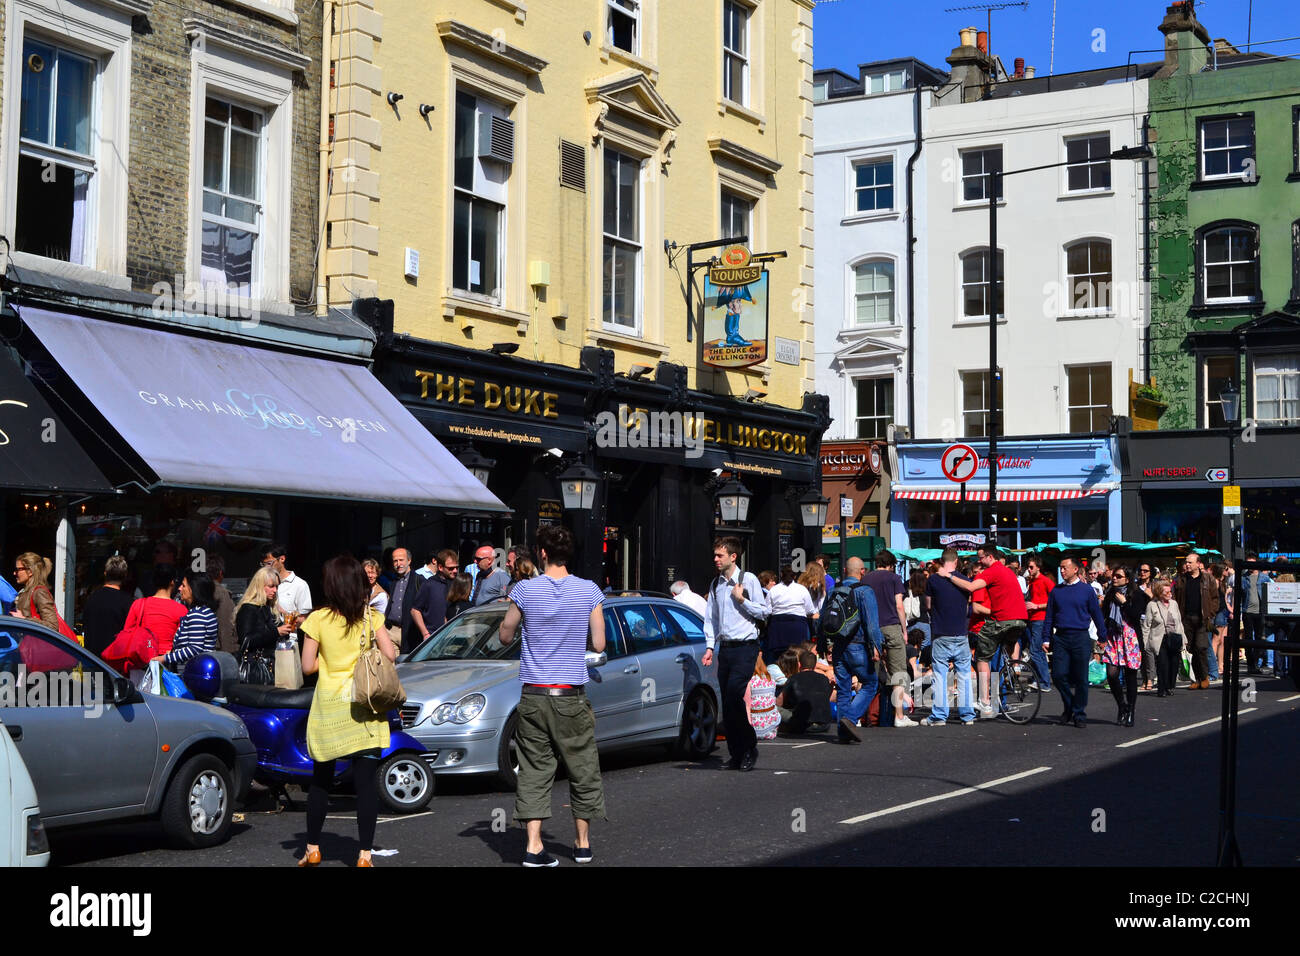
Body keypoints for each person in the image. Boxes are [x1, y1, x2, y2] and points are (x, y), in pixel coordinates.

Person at [498, 524, 607, 867]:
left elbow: (505, 634)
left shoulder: (525, 591)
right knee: (583, 767)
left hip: (534, 694)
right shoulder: (589, 591)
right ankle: (582, 844)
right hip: (571, 695)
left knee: (533, 769)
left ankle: (533, 847)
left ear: (542, 554)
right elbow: (600, 644)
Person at [297, 555, 396, 868]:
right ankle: (364, 855)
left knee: (321, 781)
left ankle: (312, 848)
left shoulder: (317, 620)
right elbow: (390, 655)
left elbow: (307, 666)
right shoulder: (371, 618)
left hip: (329, 707)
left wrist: (329, 663)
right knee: (365, 785)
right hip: (364, 705)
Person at [701, 536, 770, 771]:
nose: (715, 559)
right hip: (726, 649)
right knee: (728, 704)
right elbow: (711, 618)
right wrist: (710, 647)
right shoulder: (716, 584)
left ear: (733, 556)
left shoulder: (747, 579)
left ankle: (749, 746)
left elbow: (764, 612)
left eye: (720, 555)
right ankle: (737, 753)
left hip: (746, 647)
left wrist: (742, 600)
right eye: (714, 555)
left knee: (733, 694)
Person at [936, 545, 1028, 718]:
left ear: (990, 557)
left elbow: (971, 588)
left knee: (982, 657)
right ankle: (1011, 668)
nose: (978, 560)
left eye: (981, 557)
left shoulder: (991, 571)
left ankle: (985, 700)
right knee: (1002, 653)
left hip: (1002, 620)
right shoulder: (1008, 571)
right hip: (1020, 620)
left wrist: (948, 576)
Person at [1042, 557, 1106, 727]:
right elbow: (1049, 616)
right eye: (1060, 568)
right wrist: (1046, 638)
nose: (1062, 571)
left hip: (1080, 637)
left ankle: (1079, 713)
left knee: (1081, 678)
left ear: (1075, 569)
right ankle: (1069, 705)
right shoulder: (1056, 591)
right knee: (1058, 675)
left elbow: (1096, 614)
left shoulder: (1086, 590)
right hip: (1061, 637)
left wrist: (1103, 636)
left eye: (1065, 568)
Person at [921, 548, 976, 726]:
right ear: (956, 561)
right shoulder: (965, 580)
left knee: (940, 675)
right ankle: (967, 715)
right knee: (964, 675)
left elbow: (928, 605)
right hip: (961, 632)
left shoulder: (934, 580)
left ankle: (939, 716)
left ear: (941, 561)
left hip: (941, 632)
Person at [834, 556, 885, 741]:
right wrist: (876, 647)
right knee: (871, 683)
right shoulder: (865, 591)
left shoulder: (835, 590)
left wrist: (823, 644)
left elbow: (824, 617)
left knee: (843, 689)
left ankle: (842, 733)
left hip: (838, 646)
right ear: (862, 571)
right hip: (858, 645)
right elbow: (871, 623)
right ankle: (850, 717)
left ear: (845, 570)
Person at [862, 550, 913, 726]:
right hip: (891, 626)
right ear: (891, 564)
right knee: (898, 672)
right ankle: (899, 716)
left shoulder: (866, 579)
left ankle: (865, 716)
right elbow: (899, 605)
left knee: (871, 672)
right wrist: (904, 630)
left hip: (871, 627)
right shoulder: (894, 578)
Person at [1101, 567, 1142, 727]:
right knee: (1111, 674)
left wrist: (1124, 603)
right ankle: (1122, 706)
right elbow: (1104, 614)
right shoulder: (1110, 593)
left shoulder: (1136, 594)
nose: (1115, 579)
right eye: (1114, 576)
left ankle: (1131, 710)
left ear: (1127, 579)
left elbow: (1137, 616)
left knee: (1130, 676)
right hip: (1113, 635)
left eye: (1119, 576)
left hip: (1130, 637)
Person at [121, 564, 188, 661]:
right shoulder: (181, 609)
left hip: (140, 659)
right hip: (167, 660)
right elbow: (182, 641)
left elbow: (126, 632)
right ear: (172, 582)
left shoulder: (139, 604)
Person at [1173, 553, 1220, 690]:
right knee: (1190, 649)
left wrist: (1210, 614)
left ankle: (1204, 676)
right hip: (1185, 618)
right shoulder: (1181, 579)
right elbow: (1175, 597)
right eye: (1186, 562)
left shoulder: (1207, 578)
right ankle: (1195, 679)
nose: (1187, 565)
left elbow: (1215, 598)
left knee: (1201, 648)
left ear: (1198, 564)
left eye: (1190, 562)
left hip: (1202, 619)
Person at [163, 571, 220, 669]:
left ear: (194, 589)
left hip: (193, 673)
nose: (179, 588)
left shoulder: (197, 614)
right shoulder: (205, 611)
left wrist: (164, 658)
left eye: (183, 585)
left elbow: (194, 649)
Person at [82, 555, 136, 657]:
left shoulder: (91, 598)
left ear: (105, 573)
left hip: (92, 660)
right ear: (125, 576)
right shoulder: (128, 602)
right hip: (114, 662)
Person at [763, 565, 817, 665]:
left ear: (781, 575)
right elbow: (810, 610)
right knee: (798, 656)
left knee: (778, 659)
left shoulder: (773, 590)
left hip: (778, 628)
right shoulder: (802, 590)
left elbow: (767, 611)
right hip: (797, 627)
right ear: (795, 576)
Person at [236, 566, 292, 659]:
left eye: (277, 586)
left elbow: (273, 635)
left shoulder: (269, 608)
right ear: (259, 586)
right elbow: (246, 640)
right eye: (271, 586)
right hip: (254, 665)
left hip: (269, 664)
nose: (275, 590)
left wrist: (285, 629)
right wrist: (276, 632)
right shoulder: (248, 608)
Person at [1142, 580, 1184, 698]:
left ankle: (1169, 686)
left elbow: (1179, 623)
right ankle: (1162, 689)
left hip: (1174, 637)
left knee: (1174, 665)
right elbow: (1146, 625)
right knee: (1162, 665)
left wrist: (1183, 639)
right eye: (1166, 592)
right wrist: (1145, 643)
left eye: (1170, 591)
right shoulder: (1152, 605)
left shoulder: (1174, 604)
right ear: (1159, 593)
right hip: (1160, 639)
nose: (1169, 594)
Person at [778, 649, 834, 734]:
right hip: (825, 724)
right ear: (815, 666)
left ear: (799, 664)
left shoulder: (793, 678)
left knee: (774, 708)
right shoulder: (824, 678)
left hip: (802, 724)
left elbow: (780, 702)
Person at [410, 549, 458, 643]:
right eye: (451, 568)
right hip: (433, 639)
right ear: (440, 567)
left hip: (454, 637)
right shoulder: (429, 584)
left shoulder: (457, 584)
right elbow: (415, 610)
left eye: (456, 567)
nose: (455, 571)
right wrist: (425, 634)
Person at [383, 547, 425, 653]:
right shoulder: (392, 581)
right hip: (392, 631)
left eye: (401, 560)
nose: (398, 564)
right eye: (395, 561)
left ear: (409, 560)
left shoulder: (419, 580)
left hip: (410, 633)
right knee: (392, 667)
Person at [1023, 556, 1055, 692]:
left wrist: (1037, 606)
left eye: (1031, 567)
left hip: (1040, 619)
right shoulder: (1032, 581)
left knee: (1036, 651)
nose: (1029, 570)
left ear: (1038, 567)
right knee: (1035, 650)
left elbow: (1055, 601)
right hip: (1031, 619)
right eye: (1028, 567)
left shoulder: (1046, 581)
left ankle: (1044, 682)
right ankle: (1038, 679)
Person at [10, 552, 59, 631]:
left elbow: (53, 626)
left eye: (18, 569)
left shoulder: (39, 592)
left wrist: (24, 619)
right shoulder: (25, 591)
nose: (14, 573)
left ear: (30, 572)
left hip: (36, 642)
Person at [264, 544, 312, 623]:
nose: (266, 568)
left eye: (269, 563)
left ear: (282, 559)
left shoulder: (300, 585)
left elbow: (305, 622)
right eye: (263, 564)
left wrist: (282, 611)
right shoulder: (261, 583)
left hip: (288, 634)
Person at [207, 555, 239, 656]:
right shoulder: (221, 594)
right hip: (217, 652)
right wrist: (229, 656)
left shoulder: (199, 591)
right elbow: (226, 626)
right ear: (221, 573)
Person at [1241, 554, 1267, 675]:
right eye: (1248, 563)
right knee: (1248, 638)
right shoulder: (1243, 577)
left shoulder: (1264, 577)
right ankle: (1250, 664)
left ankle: (1255, 663)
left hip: (1260, 612)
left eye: (1252, 563)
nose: (1250, 566)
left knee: (1258, 638)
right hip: (1247, 611)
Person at [1134, 562, 1157, 689]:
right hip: (1137, 620)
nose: (1142, 572)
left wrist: (1151, 595)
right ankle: (1144, 678)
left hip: (1150, 621)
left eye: (1145, 571)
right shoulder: (1135, 586)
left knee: (1148, 650)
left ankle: (1150, 678)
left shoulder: (1154, 585)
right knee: (1141, 650)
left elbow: (1160, 602)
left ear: (1150, 573)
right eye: (1140, 570)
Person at [747, 656, 780, 741]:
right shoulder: (771, 679)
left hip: (752, 728)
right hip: (770, 728)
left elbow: (746, 704)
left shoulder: (748, 681)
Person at [1209, 563, 1229, 682]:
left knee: (1222, 640)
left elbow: (1225, 599)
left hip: (1223, 611)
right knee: (1216, 640)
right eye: (1225, 569)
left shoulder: (1222, 583)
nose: (1228, 571)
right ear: (1221, 571)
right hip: (1218, 612)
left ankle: (1220, 665)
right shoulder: (1216, 582)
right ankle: (1214, 666)